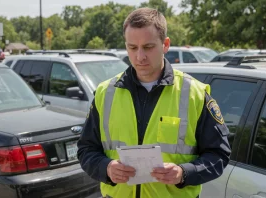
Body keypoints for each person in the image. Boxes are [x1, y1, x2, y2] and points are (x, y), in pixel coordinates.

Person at [77, 7, 231, 198]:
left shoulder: (195, 94)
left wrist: (184, 173)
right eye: (132, 47)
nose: (140, 57)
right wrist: (106, 168)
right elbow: (86, 150)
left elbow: (219, 155)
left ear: (165, 44)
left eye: (148, 47)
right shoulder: (105, 93)